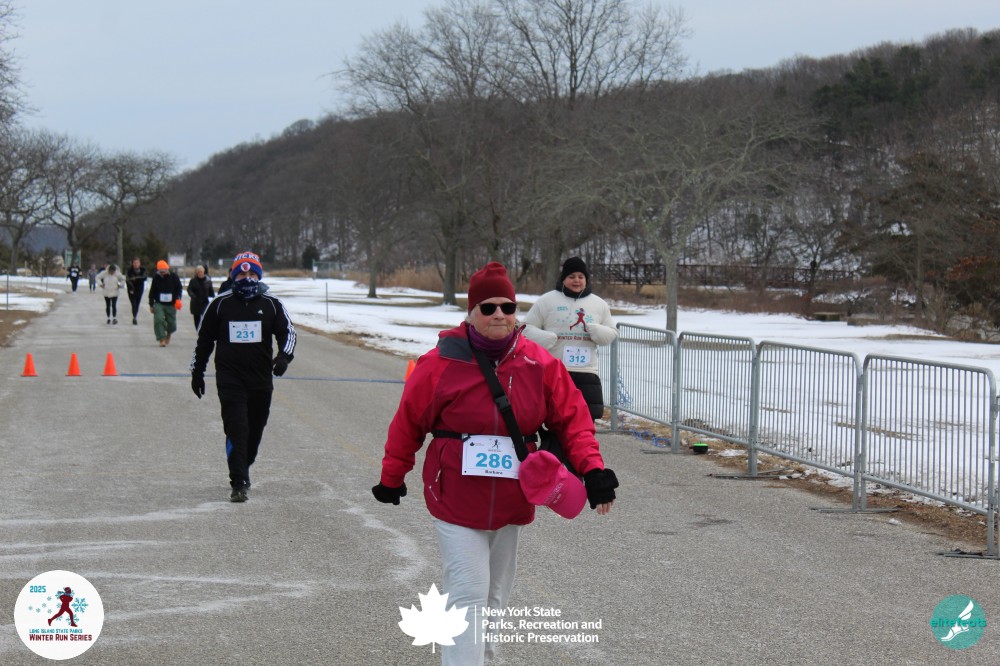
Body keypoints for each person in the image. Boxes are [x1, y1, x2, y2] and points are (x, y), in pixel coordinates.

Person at [372, 261, 619, 666]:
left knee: (494, 595)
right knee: (468, 592)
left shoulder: (539, 363)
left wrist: (593, 470)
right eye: (488, 308)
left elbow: (574, 420)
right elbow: (407, 423)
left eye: (507, 307)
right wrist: (391, 476)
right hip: (455, 495)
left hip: (511, 496)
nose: (499, 315)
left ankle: (483, 658)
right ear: (471, 313)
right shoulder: (439, 363)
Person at [190, 251, 296, 502]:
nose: (246, 278)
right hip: (230, 378)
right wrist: (197, 372)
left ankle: (244, 465)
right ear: (233, 276)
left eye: (251, 274)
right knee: (237, 427)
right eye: (241, 274)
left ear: (258, 276)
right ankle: (238, 481)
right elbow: (203, 342)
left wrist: (284, 357)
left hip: (260, 379)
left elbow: (288, 333)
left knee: (255, 429)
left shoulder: (272, 303)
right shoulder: (220, 304)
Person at [522, 256, 618, 421]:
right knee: (553, 417)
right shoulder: (546, 301)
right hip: (555, 369)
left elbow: (612, 332)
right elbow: (526, 328)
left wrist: (597, 331)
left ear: (586, 279)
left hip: (586, 372)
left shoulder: (599, 304)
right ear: (563, 278)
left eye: (581, 277)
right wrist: (546, 338)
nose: (576, 281)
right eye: (571, 276)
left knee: (585, 419)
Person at [148, 260, 183, 346]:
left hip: (171, 303)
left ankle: (169, 333)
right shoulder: (156, 277)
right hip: (159, 303)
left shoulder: (174, 277)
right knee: (159, 320)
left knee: (172, 323)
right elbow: (152, 291)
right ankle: (161, 339)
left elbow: (179, 288)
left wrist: (178, 299)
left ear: (167, 269)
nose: (162, 273)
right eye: (161, 272)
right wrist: (151, 304)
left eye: (164, 271)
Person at [186, 264, 215, 329]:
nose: (200, 273)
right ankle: (198, 331)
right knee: (197, 320)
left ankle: (204, 331)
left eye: (201, 272)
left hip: (205, 302)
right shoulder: (193, 281)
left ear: (204, 272)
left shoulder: (208, 281)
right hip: (196, 303)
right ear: (196, 273)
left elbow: (211, 291)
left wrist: (213, 299)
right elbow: (189, 289)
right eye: (198, 272)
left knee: (206, 318)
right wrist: (193, 296)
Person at [126, 257, 148, 325]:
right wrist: (131, 288)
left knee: (137, 304)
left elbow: (144, 277)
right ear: (132, 263)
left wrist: (136, 278)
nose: (136, 264)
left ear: (139, 263)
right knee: (133, 304)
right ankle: (134, 317)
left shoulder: (143, 270)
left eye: (137, 263)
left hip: (140, 289)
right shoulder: (129, 271)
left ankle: (135, 316)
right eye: (134, 263)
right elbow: (128, 280)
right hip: (132, 289)